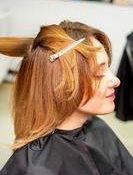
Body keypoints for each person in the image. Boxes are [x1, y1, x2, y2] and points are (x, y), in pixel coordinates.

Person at [0, 21, 133, 175]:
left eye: (108, 68)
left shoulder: (96, 126)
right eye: (98, 73)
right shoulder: (35, 169)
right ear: (60, 83)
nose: (116, 81)